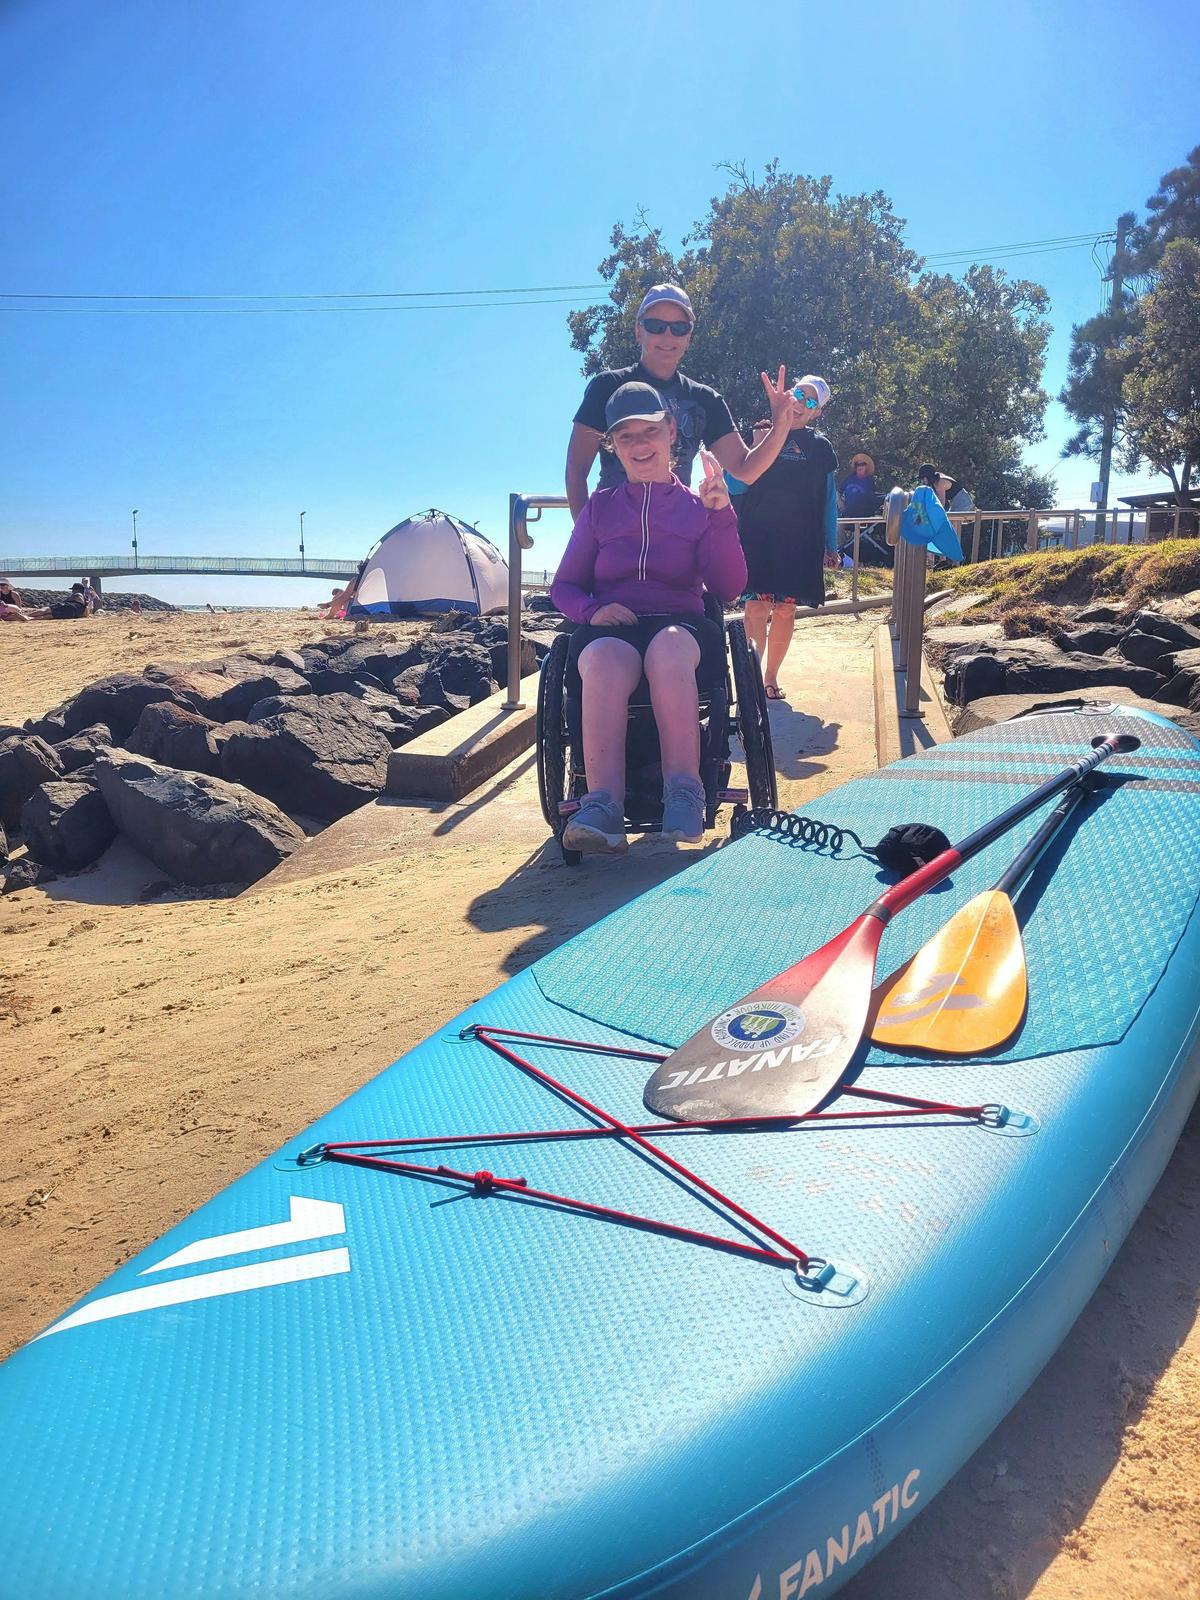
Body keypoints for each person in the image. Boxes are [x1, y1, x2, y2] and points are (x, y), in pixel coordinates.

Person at [550, 381, 747, 856]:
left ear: (671, 432)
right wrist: (592, 610)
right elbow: (565, 587)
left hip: (681, 623)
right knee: (599, 659)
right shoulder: (599, 509)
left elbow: (729, 588)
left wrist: (721, 517)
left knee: (669, 649)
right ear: (613, 447)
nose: (639, 445)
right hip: (613, 625)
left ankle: (685, 790)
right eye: (626, 437)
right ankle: (602, 805)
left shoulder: (699, 508)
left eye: (649, 432)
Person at [565, 283, 796, 518]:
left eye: (679, 327)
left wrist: (780, 428)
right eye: (656, 325)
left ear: (688, 338)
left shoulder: (705, 399)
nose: (667, 335)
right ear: (638, 331)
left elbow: (745, 470)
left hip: (676, 537)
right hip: (613, 538)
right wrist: (586, 538)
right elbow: (576, 471)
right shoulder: (606, 387)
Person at [727, 376, 839, 701]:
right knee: (756, 608)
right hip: (757, 536)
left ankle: (770, 678)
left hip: (800, 540)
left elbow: (828, 499)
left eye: (811, 402)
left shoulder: (821, 448)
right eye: (800, 394)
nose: (802, 403)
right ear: (788, 394)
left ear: (817, 413)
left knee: (787, 610)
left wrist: (831, 544)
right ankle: (750, 677)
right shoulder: (761, 432)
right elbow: (736, 486)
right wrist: (757, 446)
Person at [840, 453, 879, 520]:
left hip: (865, 517)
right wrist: (841, 505)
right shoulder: (849, 478)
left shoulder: (870, 481)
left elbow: (872, 499)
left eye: (862, 464)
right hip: (848, 516)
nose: (859, 467)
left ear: (866, 467)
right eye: (857, 465)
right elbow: (838, 492)